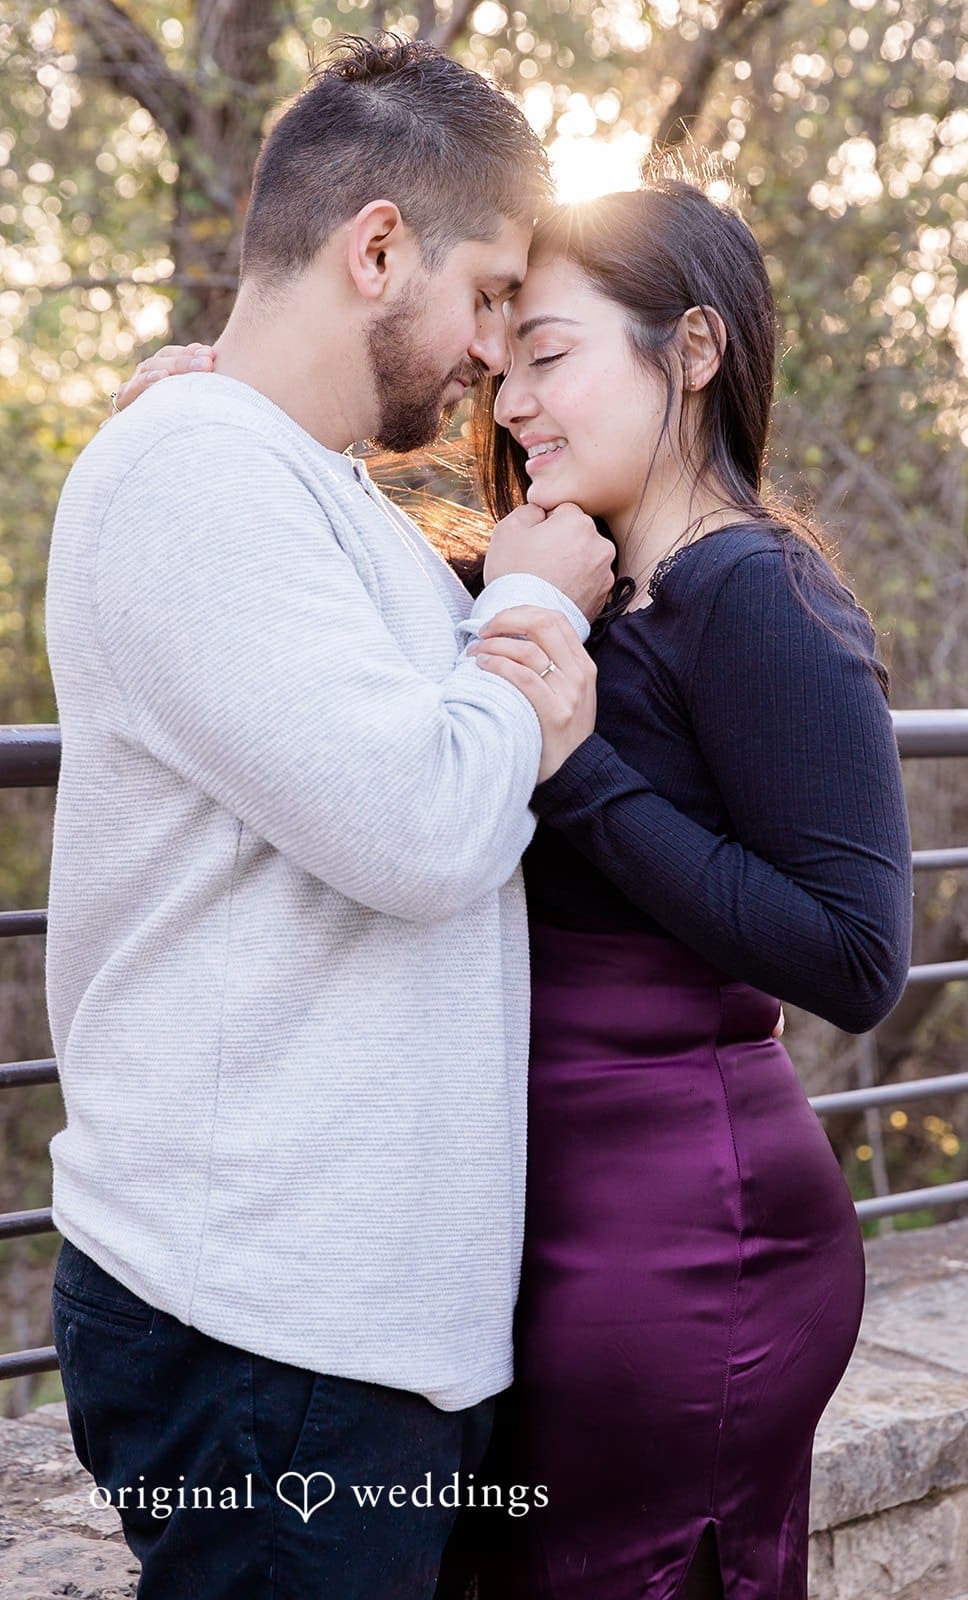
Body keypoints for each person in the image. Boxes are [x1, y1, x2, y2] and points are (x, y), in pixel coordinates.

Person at [117, 177, 914, 1596]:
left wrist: (586, 771)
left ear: (694, 350)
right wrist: (220, 411)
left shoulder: (763, 597)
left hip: (681, 1232)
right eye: (504, 363)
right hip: (526, 1220)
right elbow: (363, 614)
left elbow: (855, 955)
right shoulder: (575, 581)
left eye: (550, 355)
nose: (510, 401)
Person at [45, 35, 615, 1600]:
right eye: (492, 293)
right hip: (261, 1329)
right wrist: (532, 619)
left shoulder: (300, 483)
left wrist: (499, 670)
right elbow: (425, 825)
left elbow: (432, 764)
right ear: (378, 249)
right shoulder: (195, 479)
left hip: (348, 1330)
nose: (498, 354)